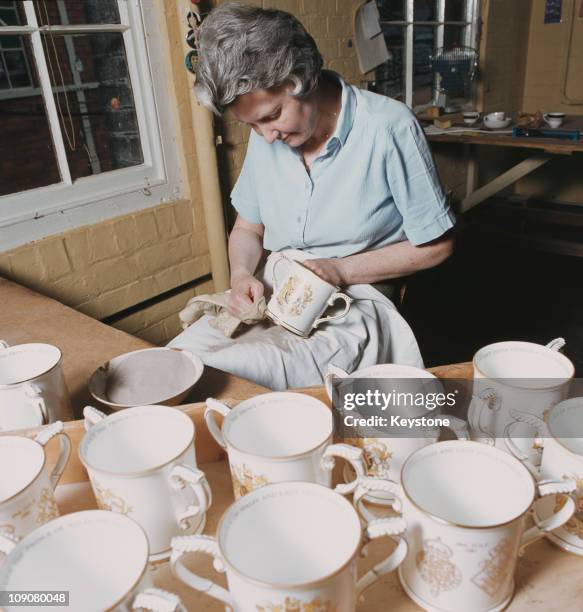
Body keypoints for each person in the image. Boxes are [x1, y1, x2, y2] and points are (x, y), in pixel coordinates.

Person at [168, 3, 455, 389]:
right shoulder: (265, 136)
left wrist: (338, 270)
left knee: (247, 373)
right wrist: (239, 276)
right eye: (251, 125)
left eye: (272, 116)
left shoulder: (388, 126)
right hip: (277, 289)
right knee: (181, 359)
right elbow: (248, 230)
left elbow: (438, 246)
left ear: (303, 78)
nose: (266, 136)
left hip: (355, 294)